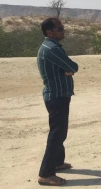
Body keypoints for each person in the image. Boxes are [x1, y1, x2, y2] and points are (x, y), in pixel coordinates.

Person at [37, 18, 79, 186]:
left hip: (58, 94)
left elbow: (69, 68)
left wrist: (67, 70)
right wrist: (68, 70)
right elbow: (73, 66)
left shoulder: (51, 47)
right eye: (60, 29)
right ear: (50, 32)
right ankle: (46, 174)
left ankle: (57, 162)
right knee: (56, 134)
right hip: (57, 96)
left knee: (60, 132)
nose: (63, 31)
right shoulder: (52, 49)